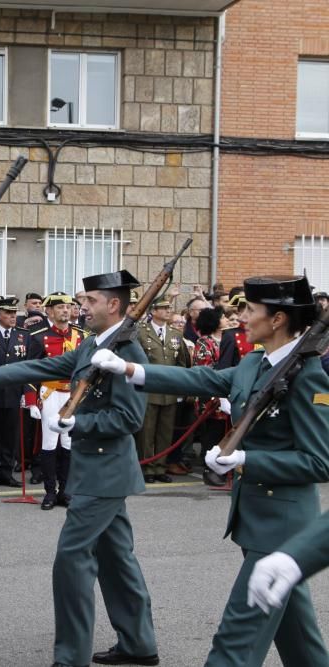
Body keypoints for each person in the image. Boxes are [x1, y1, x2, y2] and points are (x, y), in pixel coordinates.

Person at [93, 274, 329, 667]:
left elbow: (320, 461)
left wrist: (246, 459)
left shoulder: (308, 376)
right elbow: (202, 378)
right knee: (298, 635)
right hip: (256, 520)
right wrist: (131, 370)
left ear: (278, 320)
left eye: (251, 311)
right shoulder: (255, 362)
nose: (242, 319)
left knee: (236, 640)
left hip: (282, 525)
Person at [0, 269, 158, 667]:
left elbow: (128, 419)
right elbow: (45, 368)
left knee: (71, 561)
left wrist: (78, 422)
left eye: (89, 301)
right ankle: (139, 645)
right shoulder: (94, 345)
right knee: (117, 560)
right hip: (96, 471)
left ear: (114, 305)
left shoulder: (128, 352)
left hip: (103, 473)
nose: (81, 307)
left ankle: (71, 657)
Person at [25, 292, 87, 510]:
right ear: (49, 311)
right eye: (60, 307)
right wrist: (31, 400)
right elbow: (30, 370)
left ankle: (66, 490)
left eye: (68, 307)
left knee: (69, 443)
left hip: (73, 395)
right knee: (50, 443)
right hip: (50, 393)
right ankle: (50, 492)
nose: (65, 311)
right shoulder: (38, 336)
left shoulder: (81, 335)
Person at [134, 298, 190, 484]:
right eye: (163, 308)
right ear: (153, 311)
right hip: (148, 389)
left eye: (168, 308)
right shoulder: (141, 332)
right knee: (147, 432)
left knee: (165, 432)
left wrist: (182, 387)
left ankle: (160, 466)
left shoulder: (175, 334)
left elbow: (182, 363)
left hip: (169, 390)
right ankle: (147, 467)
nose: (167, 311)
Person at [0, 296, 30, 489]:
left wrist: (26, 393)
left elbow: (27, 366)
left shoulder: (23, 335)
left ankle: (7, 472)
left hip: (15, 393)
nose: (12, 316)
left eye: (14, 313)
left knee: (11, 435)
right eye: (8, 313)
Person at [190, 307, 232, 487]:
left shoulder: (226, 339)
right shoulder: (204, 342)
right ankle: (210, 469)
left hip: (227, 393)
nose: (226, 319)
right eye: (222, 317)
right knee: (212, 434)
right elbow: (204, 367)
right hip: (210, 396)